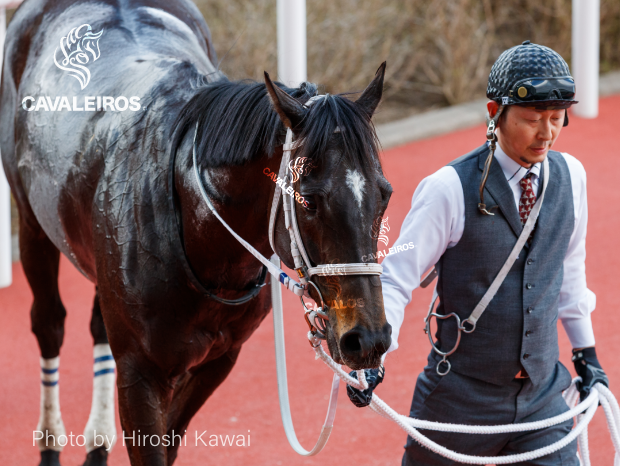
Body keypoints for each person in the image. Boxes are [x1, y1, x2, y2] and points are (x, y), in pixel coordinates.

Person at [346, 41, 609, 465]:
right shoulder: (446, 189)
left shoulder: (571, 177)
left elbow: (570, 274)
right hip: (458, 403)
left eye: (557, 119)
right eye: (531, 119)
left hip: (542, 401)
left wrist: (586, 354)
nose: (546, 133)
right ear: (494, 113)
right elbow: (396, 276)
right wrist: (371, 358)